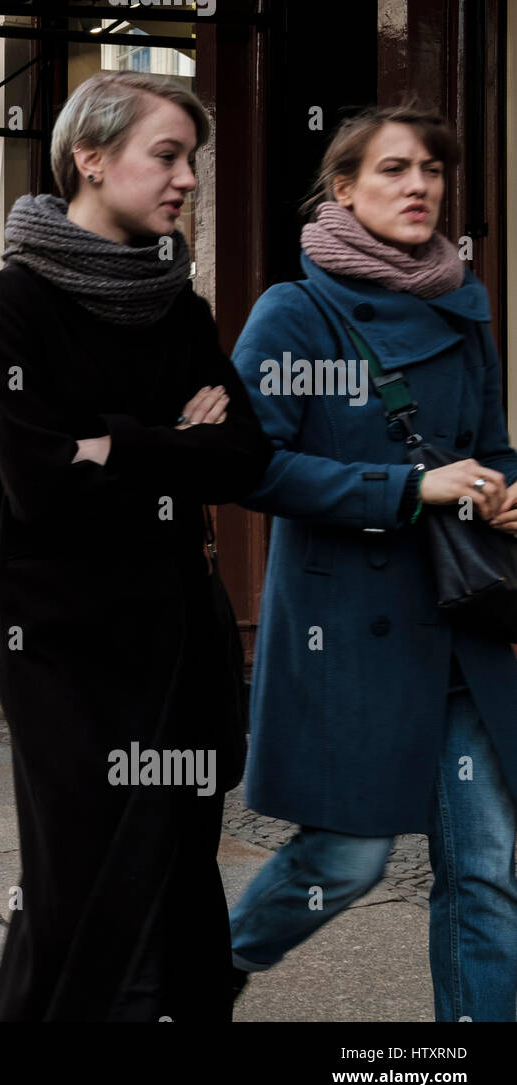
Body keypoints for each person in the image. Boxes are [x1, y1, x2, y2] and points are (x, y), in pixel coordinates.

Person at [0, 71, 273, 1020]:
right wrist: (171, 441)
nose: (187, 179)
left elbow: (245, 455)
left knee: (180, 867)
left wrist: (117, 441)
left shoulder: (177, 305)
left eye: (194, 158)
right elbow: (42, 481)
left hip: (177, 635)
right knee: (78, 875)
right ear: (91, 158)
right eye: (168, 154)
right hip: (66, 647)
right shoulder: (10, 299)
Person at [227, 104, 517, 1022]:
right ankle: (200, 975)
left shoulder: (464, 309)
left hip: (461, 626)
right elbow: (248, 466)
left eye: (432, 168)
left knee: (489, 867)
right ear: (344, 189)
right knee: (345, 860)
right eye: (394, 169)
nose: (420, 185)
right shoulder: (295, 311)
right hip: (344, 629)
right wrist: (405, 489)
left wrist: (504, 490)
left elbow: (494, 447)